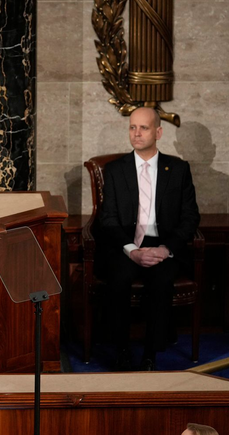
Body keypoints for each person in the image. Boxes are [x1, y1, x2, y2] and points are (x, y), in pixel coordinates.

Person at [96, 107, 200, 371]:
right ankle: (121, 350)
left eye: (143, 128)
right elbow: (107, 219)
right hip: (127, 246)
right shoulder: (115, 170)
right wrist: (132, 250)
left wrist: (167, 249)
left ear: (158, 132)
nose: (137, 133)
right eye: (132, 127)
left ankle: (151, 354)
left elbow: (190, 217)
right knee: (118, 278)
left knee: (162, 280)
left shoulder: (177, 169)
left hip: (164, 246)